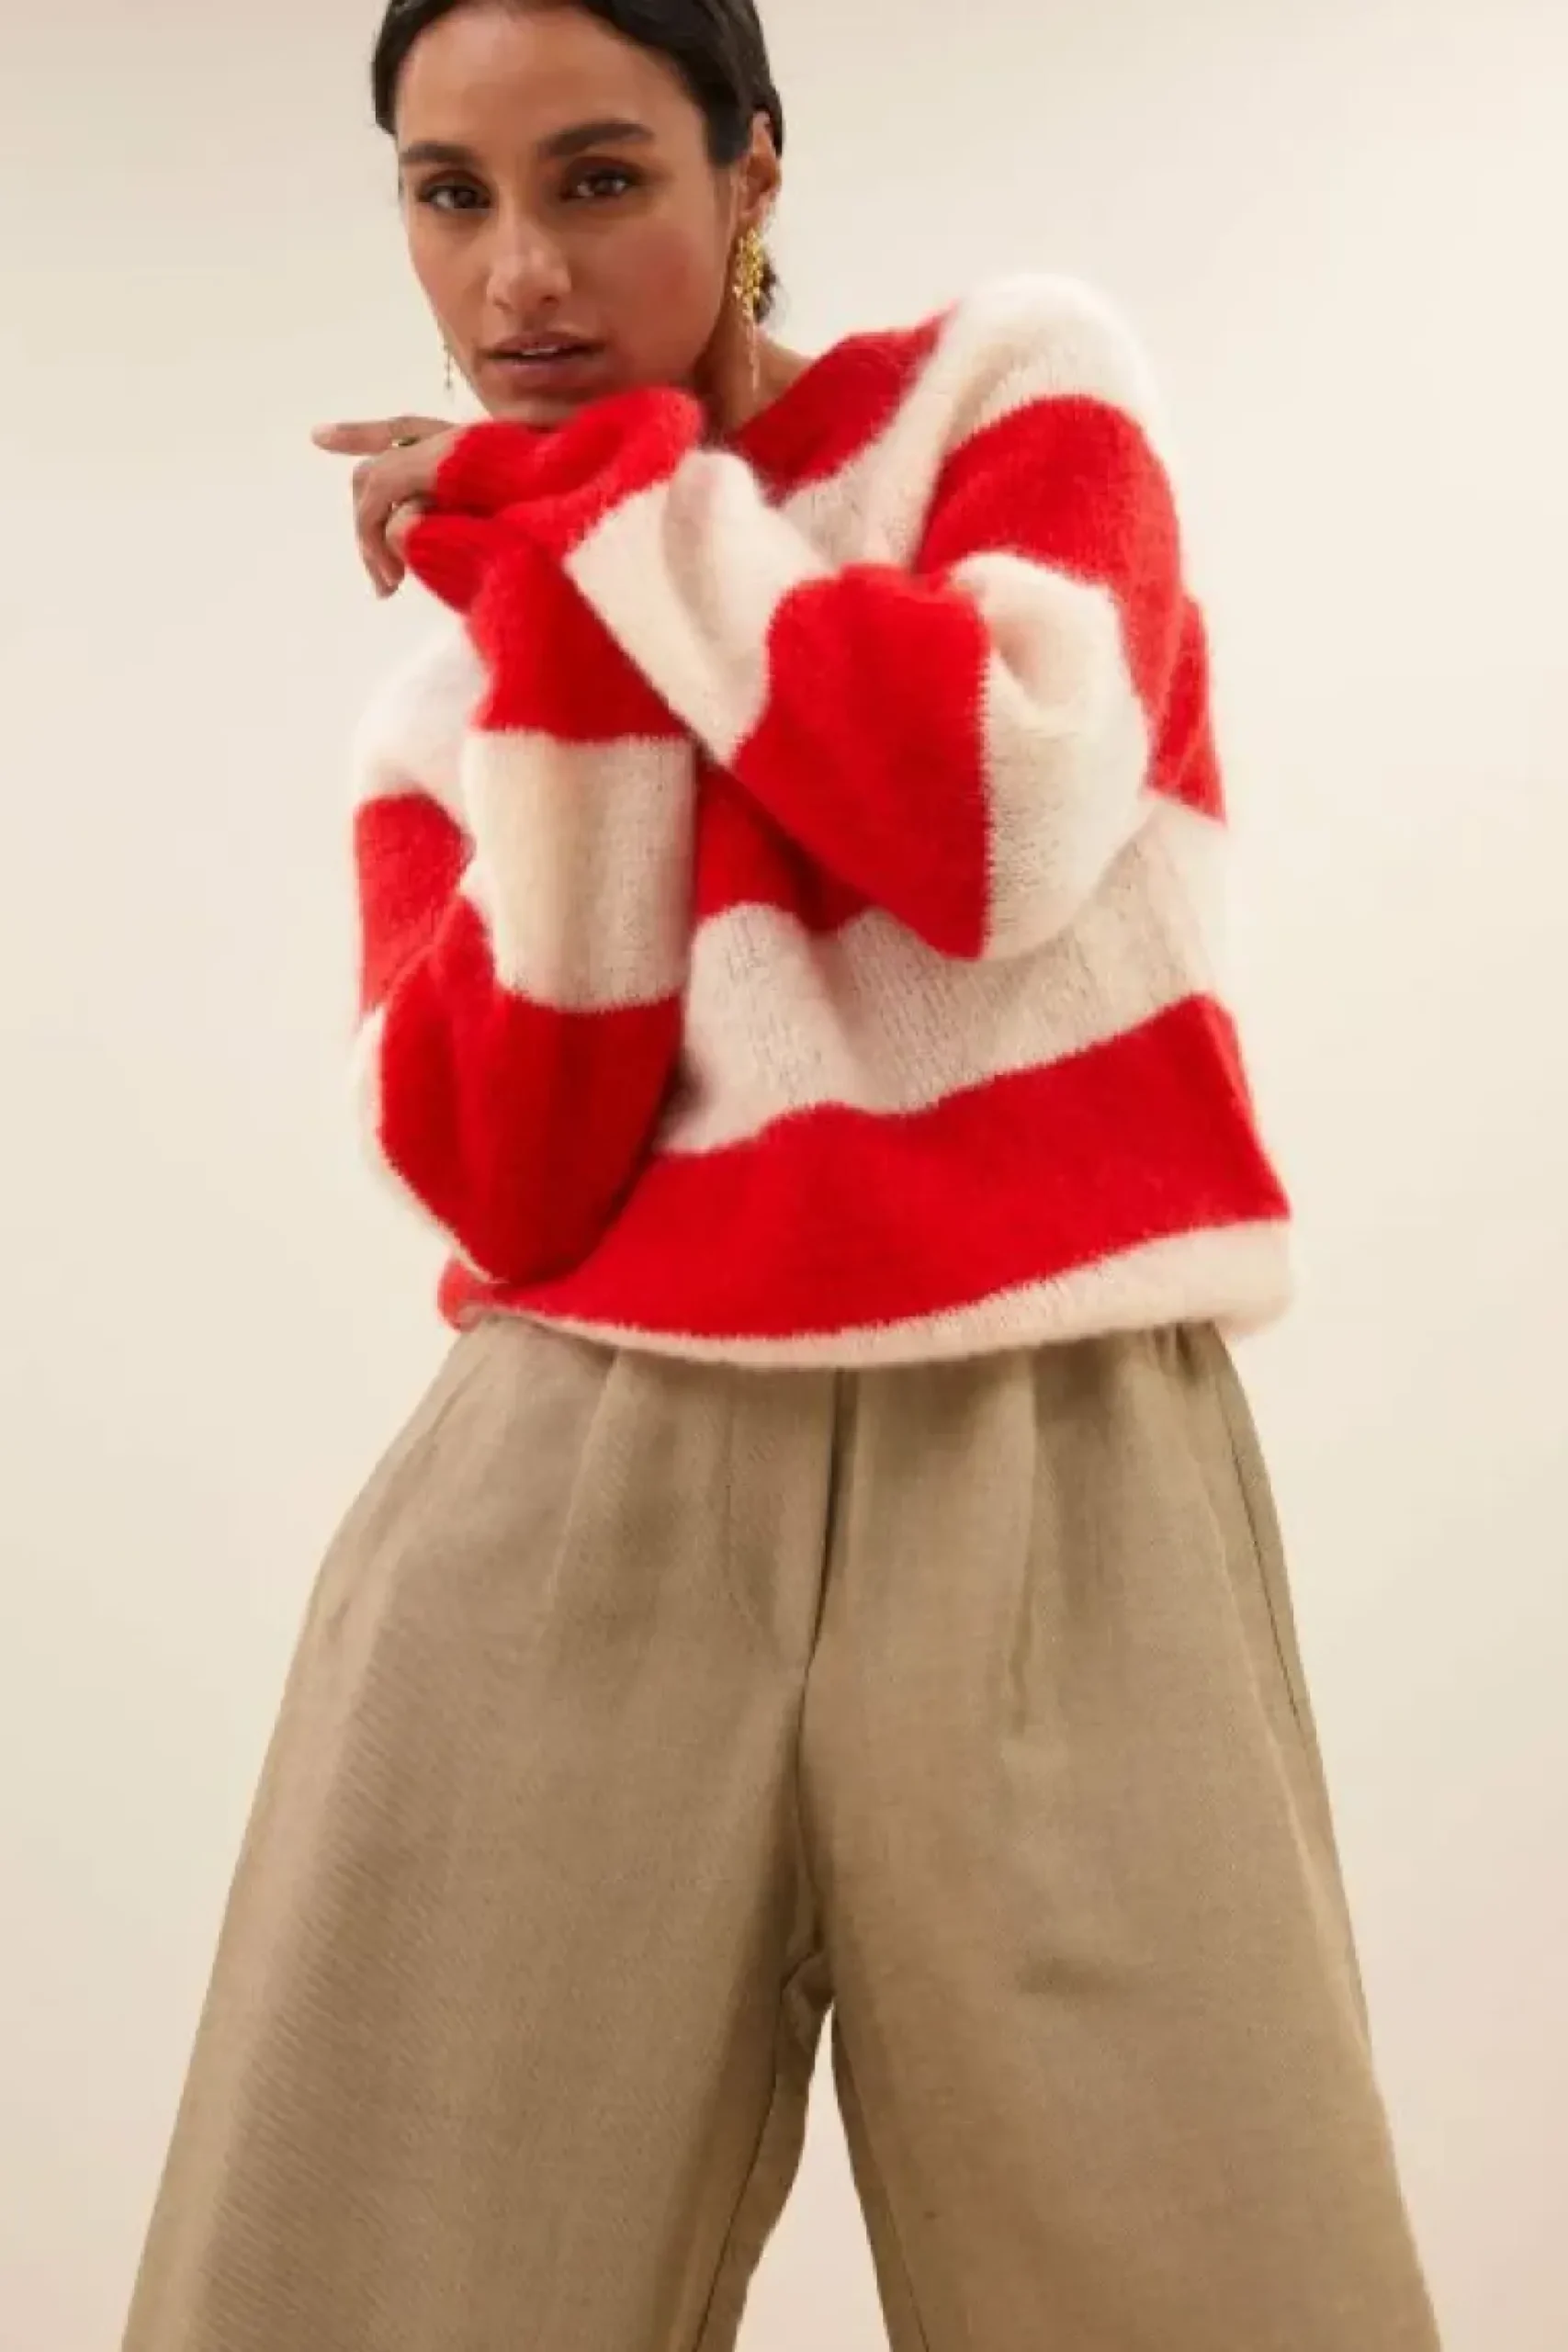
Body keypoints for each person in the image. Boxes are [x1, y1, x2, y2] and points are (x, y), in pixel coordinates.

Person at [123, 2, 1444, 2346]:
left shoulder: (1008, 399)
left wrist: (606, 517)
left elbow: (993, 819)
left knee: (1203, 2268)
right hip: (574, 1480)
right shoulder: (448, 694)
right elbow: (519, 1177)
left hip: (1052, 1462)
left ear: (751, 174)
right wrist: (562, 618)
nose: (520, 272)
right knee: (384, 2269)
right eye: (451, 195)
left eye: (599, 177)